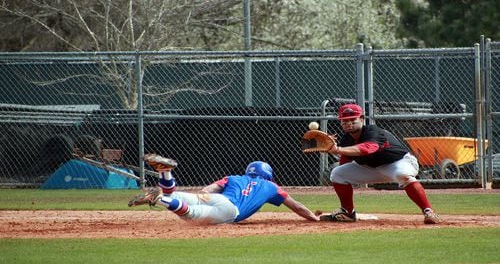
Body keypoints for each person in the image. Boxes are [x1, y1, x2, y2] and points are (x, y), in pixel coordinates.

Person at [320, 103, 441, 224]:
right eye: (344, 120)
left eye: (353, 119)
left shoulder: (373, 131)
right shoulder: (346, 139)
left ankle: (429, 212)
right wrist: (341, 180)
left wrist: (337, 150)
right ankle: (348, 212)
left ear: (361, 119)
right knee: (337, 173)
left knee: (402, 175)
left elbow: (368, 148)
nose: (348, 123)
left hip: (399, 162)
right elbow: (345, 161)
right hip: (371, 168)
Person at [128, 154, 320, 224]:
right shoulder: (272, 186)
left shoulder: (233, 178)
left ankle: (166, 174)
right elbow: (297, 207)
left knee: (174, 195)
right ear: (268, 175)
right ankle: (160, 199)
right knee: (190, 214)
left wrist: (199, 197)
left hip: (217, 198)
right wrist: (314, 217)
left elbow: (208, 190)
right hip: (229, 211)